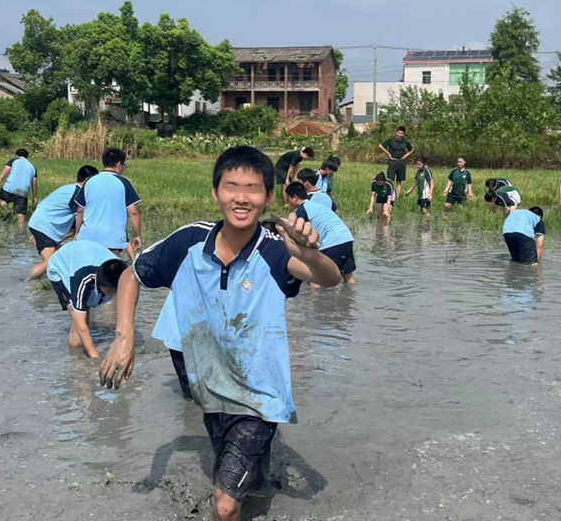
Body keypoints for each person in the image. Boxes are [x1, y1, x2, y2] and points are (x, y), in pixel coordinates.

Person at [98, 146, 340, 521]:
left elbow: (329, 278)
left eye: (253, 189)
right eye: (231, 186)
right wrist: (124, 335)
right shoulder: (191, 240)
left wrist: (310, 255)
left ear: (269, 197)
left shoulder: (274, 251)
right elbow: (133, 274)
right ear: (215, 192)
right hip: (211, 389)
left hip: (261, 397)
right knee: (247, 482)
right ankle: (257, 486)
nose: (241, 197)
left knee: (224, 506)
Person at [47, 239, 128, 358]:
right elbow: (80, 323)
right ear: (98, 282)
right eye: (110, 292)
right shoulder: (84, 278)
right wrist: (94, 356)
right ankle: (76, 358)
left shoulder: (124, 275)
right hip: (60, 268)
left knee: (84, 310)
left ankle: (80, 353)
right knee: (77, 314)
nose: (113, 294)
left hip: (86, 256)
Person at [27, 165, 100, 279]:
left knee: (58, 259)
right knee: (51, 262)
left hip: (41, 224)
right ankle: (24, 282)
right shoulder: (78, 193)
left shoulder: (69, 188)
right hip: (44, 225)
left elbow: (75, 228)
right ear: (87, 181)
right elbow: (85, 220)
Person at [74, 148, 142, 257]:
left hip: (88, 237)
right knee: (109, 271)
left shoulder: (89, 181)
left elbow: (80, 210)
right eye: (124, 166)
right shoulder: (124, 182)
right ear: (119, 164)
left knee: (89, 270)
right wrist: (137, 235)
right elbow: (133, 211)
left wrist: (77, 232)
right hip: (112, 239)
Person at [285, 182, 356, 283]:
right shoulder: (316, 205)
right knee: (348, 277)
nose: (289, 202)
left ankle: (316, 299)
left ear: (295, 197)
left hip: (332, 242)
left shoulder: (301, 210)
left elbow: (298, 236)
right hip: (347, 238)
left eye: (289, 199)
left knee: (314, 277)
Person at [0, 149, 38, 224]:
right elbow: (34, 183)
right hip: (23, 192)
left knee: (0, 199)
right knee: (21, 215)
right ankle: (21, 233)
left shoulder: (13, 160)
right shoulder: (33, 167)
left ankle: (7, 210)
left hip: (9, 188)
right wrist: (34, 196)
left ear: (17, 155)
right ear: (27, 157)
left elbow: (6, 171)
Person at [378, 126, 414, 199]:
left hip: (401, 162)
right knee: (389, 180)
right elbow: (380, 146)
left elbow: (412, 150)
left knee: (399, 181)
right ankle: (389, 196)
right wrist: (388, 153)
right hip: (392, 161)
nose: (400, 135)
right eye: (399, 133)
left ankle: (397, 198)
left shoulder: (405, 141)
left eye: (402, 133)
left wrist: (405, 156)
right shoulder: (391, 140)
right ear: (396, 133)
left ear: (403, 134)